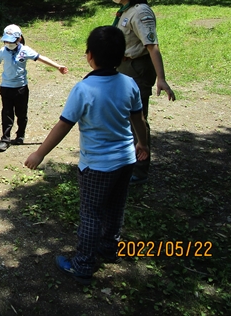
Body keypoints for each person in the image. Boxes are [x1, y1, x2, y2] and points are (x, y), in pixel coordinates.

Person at [25, 26, 149, 285]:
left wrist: (39, 153)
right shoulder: (129, 84)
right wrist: (142, 144)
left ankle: (82, 265)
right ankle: (110, 249)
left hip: (96, 167)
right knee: (115, 208)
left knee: (91, 214)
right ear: (123, 55)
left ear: (89, 55)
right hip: (126, 161)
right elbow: (139, 119)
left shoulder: (84, 89)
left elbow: (63, 125)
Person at [103, 0, 176, 185]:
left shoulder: (141, 12)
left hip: (137, 69)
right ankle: (126, 162)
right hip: (124, 67)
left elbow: (152, 47)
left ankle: (140, 170)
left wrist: (161, 78)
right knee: (123, 116)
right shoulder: (126, 10)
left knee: (137, 118)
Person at [0, 24, 68, 152]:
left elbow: (41, 58)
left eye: (11, 40)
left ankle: (20, 135)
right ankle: (5, 139)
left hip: (21, 88)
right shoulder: (3, 51)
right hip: (6, 88)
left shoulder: (25, 50)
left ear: (19, 39)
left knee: (21, 113)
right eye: (6, 40)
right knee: (7, 113)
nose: (8, 43)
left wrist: (57, 66)